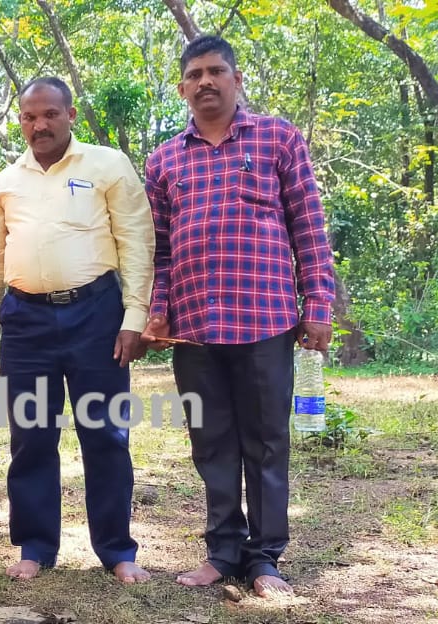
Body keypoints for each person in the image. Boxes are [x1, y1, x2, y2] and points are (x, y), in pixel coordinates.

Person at [142, 35, 335, 597]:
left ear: (236, 79)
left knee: (267, 440)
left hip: (265, 319)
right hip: (194, 328)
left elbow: (308, 228)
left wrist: (318, 305)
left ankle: (265, 558)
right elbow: (159, 251)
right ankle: (223, 552)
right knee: (211, 443)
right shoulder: (163, 160)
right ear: (182, 88)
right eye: (194, 74)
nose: (205, 81)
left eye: (215, 71)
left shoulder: (278, 138)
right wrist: (158, 312)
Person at [0, 77, 156, 584]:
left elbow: (136, 243)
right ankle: (35, 547)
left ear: (70, 115)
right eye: (30, 117)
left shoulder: (107, 165)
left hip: (96, 315)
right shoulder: (6, 182)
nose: (40, 125)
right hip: (24, 321)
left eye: (50, 114)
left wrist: (134, 318)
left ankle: (117, 551)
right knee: (30, 436)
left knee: (106, 433)